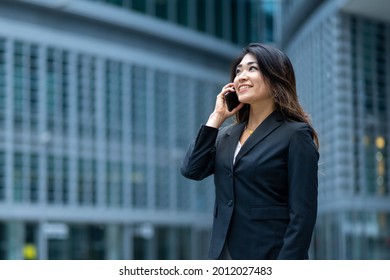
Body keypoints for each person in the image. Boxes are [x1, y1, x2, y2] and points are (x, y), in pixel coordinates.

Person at [180, 43, 319, 260]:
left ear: (275, 77)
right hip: (223, 256)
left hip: (269, 256)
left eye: (252, 68)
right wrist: (216, 118)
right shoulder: (227, 136)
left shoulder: (295, 135)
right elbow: (192, 169)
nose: (242, 76)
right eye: (238, 71)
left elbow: (302, 216)